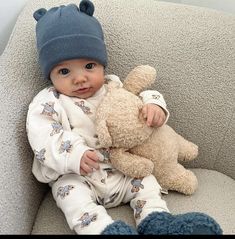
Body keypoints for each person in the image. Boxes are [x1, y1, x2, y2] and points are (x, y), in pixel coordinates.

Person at [26, 0, 222, 235]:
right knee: (71, 198)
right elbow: (43, 136)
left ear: (102, 64)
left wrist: (154, 105)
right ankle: (103, 230)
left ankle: (158, 222)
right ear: (50, 74)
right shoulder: (49, 101)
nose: (80, 79)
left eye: (89, 65)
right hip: (79, 176)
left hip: (122, 170)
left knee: (147, 183)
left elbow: (137, 96)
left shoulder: (112, 85)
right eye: (64, 71)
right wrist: (75, 154)